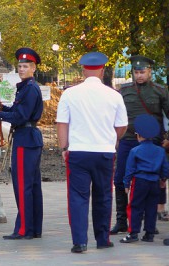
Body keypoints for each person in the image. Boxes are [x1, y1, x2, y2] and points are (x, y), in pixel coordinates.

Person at [56, 52, 128, 253]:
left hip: (78, 152)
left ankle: (79, 242)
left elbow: (62, 123)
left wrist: (64, 147)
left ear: (83, 70)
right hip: (104, 152)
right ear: (103, 70)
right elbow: (122, 125)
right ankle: (102, 239)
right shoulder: (114, 95)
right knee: (103, 195)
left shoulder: (69, 94)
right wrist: (112, 140)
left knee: (78, 197)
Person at [0, 47, 44, 240]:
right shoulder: (26, 87)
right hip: (28, 137)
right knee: (32, 186)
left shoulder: (30, 88)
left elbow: (20, 116)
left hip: (26, 139)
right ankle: (34, 229)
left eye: (25, 66)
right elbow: (17, 111)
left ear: (33, 68)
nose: (22, 69)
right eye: (19, 66)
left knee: (23, 185)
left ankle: (24, 229)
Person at [111, 55, 169, 234]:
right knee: (120, 178)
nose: (139, 76)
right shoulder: (124, 90)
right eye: (136, 72)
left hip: (153, 141)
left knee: (153, 179)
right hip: (128, 139)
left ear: (150, 72)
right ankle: (122, 220)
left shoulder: (161, 91)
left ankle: (149, 223)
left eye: (142, 72)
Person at [120, 114, 169, 243]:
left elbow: (129, 169)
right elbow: (165, 168)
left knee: (135, 206)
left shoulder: (135, 150)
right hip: (155, 182)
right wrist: (163, 180)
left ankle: (133, 233)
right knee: (151, 207)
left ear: (139, 135)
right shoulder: (160, 151)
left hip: (140, 181)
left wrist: (126, 184)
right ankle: (149, 233)